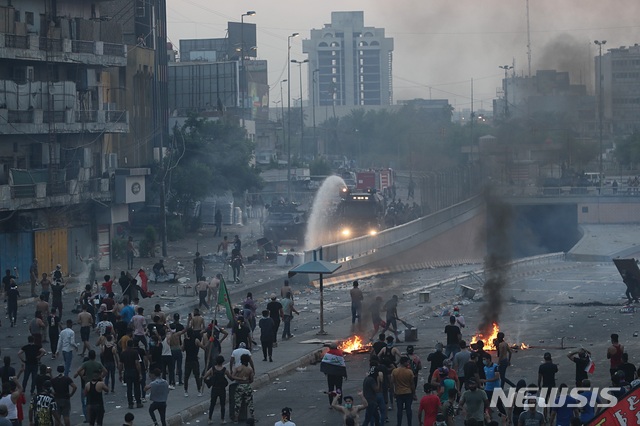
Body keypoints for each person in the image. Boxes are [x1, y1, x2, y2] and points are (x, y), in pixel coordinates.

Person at [202, 355, 233, 425]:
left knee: (212, 404)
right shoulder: (225, 370)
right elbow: (231, 378)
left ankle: (210, 419)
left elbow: (205, 377)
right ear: (222, 362)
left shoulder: (212, 369)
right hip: (222, 389)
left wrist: (209, 381)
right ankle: (222, 419)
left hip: (214, 389)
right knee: (222, 405)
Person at [391, 356, 415, 426]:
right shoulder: (409, 372)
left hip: (399, 393)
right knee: (408, 410)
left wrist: (393, 392)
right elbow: (412, 384)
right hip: (408, 392)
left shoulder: (395, 371)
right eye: (407, 362)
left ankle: (399, 424)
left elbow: (391, 383)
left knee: (399, 410)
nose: (408, 363)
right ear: (404, 362)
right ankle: (409, 424)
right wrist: (413, 393)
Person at [120, 340, 144, 409]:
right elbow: (137, 363)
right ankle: (138, 402)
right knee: (137, 387)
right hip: (134, 371)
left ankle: (130, 403)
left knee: (129, 388)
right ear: (132, 345)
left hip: (127, 371)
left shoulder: (123, 353)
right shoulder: (135, 352)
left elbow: (120, 364)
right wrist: (140, 373)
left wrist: (120, 374)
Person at [230, 354, 255, 422]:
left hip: (240, 386)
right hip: (247, 386)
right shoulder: (249, 369)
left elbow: (232, 376)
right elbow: (251, 379)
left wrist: (240, 378)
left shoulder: (238, 368)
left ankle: (236, 418)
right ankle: (252, 417)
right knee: (250, 402)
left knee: (238, 403)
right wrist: (247, 380)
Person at [182, 329, 206, 397]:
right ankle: (199, 390)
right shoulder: (196, 340)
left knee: (186, 376)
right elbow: (203, 347)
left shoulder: (185, 341)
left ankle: (186, 391)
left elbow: (182, 349)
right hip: (195, 360)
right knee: (196, 376)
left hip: (188, 360)